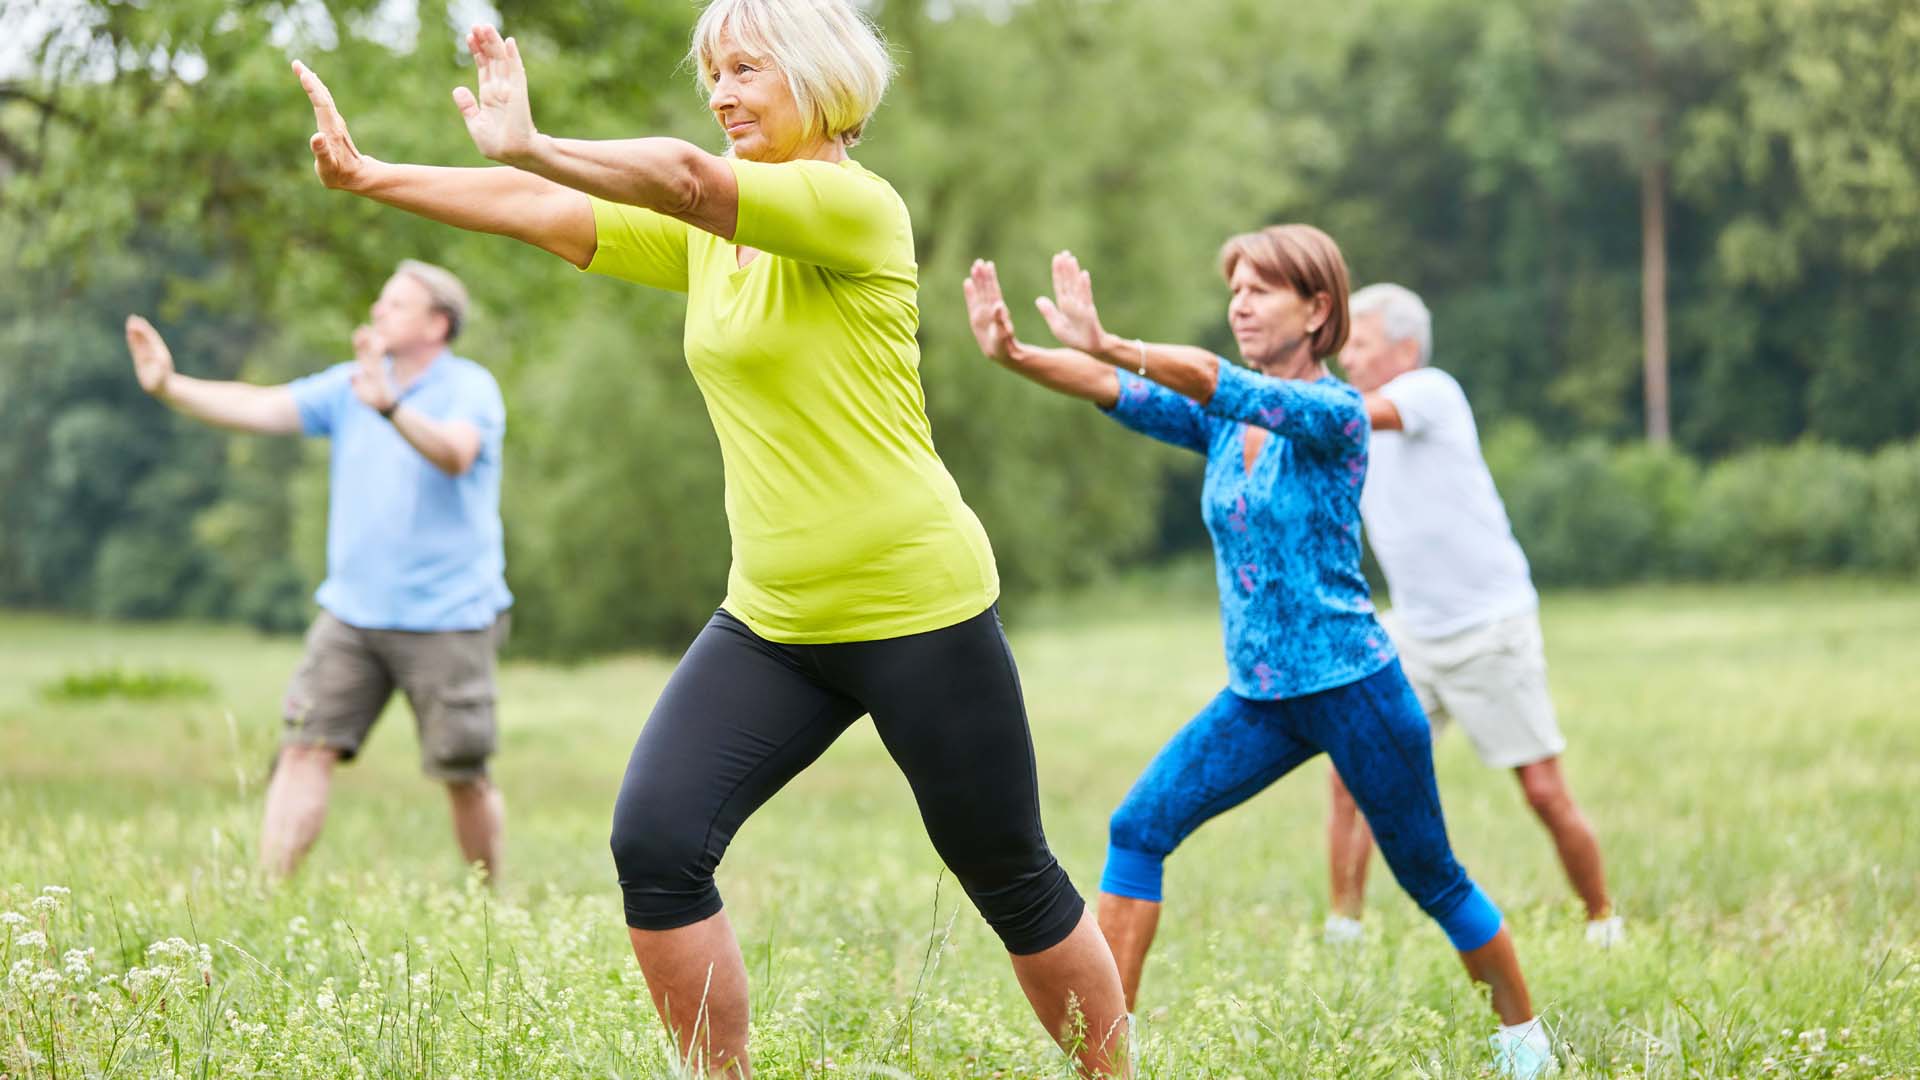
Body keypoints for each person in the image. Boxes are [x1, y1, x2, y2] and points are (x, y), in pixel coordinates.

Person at [289, 2, 1129, 1074]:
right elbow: (537, 206)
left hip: (915, 604)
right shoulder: (713, 242)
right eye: (714, 75)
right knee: (656, 844)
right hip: (773, 617)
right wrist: (374, 176)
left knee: (1007, 873)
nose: (724, 92)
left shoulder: (852, 207)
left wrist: (540, 138)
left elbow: (683, 176)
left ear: (821, 81)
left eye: (747, 69)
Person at [962, 235, 1555, 1078]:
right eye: (1235, 288)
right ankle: (1106, 1062)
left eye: (1262, 289)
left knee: (1433, 879)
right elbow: (1118, 390)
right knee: (1138, 828)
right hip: (1260, 698)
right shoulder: (1221, 423)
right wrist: (1019, 354)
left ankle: (1525, 1047)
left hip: (1355, 687)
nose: (1239, 301)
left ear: (1317, 311)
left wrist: (1111, 339)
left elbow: (1205, 374)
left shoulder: (1337, 416)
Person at [122, 260, 512, 883]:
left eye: (397, 305)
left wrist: (391, 408)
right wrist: (170, 385)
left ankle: (488, 904)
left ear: (438, 324)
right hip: (352, 615)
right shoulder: (350, 387)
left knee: (463, 773)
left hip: (449, 617)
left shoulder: (469, 388)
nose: (379, 311)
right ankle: (268, 895)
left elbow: (455, 454)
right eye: (381, 302)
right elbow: (260, 406)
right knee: (303, 747)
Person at [1325, 282, 1621, 947]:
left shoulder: (1431, 391)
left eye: (1360, 343)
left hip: (1490, 628)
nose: (1347, 357)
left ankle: (1603, 920)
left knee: (1543, 792)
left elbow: (1349, 415)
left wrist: (1274, 395)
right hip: (1413, 632)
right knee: (1352, 777)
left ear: (1403, 347)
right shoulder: (1350, 417)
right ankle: (1343, 929)